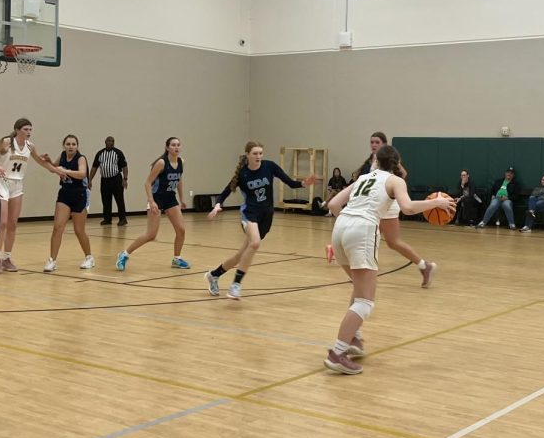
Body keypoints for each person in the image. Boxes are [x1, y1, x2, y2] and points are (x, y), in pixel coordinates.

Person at [324, 145, 455, 374]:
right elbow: (408, 207)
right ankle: (338, 352)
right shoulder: (395, 181)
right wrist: (436, 203)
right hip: (362, 229)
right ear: (396, 162)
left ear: (375, 160)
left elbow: (334, 204)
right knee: (365, 301)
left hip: (340, 226)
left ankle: (353, 338)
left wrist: (348, 224)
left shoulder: (363, 177)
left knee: (359, 288)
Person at [205, 141, 317, 299]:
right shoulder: (242, 174)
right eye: (255, 153)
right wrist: (217, 206)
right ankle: (236, 285)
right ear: (248, 155)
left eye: (260, 153)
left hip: (266, 215)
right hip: (249, 213)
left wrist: (304, 183)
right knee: (255, 243)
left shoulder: (269, 166)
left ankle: (214, 275)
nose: (258, 156)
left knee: (240, 255)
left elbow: (290, 183)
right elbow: (225, 192)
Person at [0, 119, 63, 272]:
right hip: (3, 183)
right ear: (17, 130)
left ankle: (7, 257)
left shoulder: (30, 146)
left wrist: (57, 171)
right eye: (26, 129)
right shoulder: (6, 142)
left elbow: (41, 162)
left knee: (12, 224)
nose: (29, 132)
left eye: (30, 129)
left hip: (18, 185)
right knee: (2, 223)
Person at [356, 132, 437, 287]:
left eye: (377, 142)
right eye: (372, 142)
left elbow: (403, 174)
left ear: (384, 144)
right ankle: (424, 266)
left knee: (387, 240)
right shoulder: (372, 159)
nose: (373, 145)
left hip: (387, 202)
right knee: (386, 241)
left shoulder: (390, 159)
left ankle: (363, 273)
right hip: (375, 203)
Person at [116, 137, 189, 270]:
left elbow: (179, 179)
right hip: (156, 198)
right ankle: (124, 254)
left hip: (170, 198)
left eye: (178, 145)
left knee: (181, 230)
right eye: (173, 145)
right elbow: (147, 183)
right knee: (151, 235)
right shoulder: (161, 163)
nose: (176, 147)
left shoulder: (181, 162)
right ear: (167, 148)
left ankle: (176, 259)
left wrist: (182, 198)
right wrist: (151, 201)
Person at [43, 135, 95, 272]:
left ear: (77, 146)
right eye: (68, 144)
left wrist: (66, 171)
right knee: (58, 227)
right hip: (65, 193)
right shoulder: (62, 156)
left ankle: (89, 257)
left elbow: (82, 173)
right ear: (64, 145)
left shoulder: (81, 158)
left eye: (73, 144)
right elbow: (54, 167)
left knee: (79, 230)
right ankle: (52, 260)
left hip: (80, 194)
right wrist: (49, 162)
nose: (71, 146)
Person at [89, 136, 128, 227]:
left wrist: (125, 179)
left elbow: (124, 166)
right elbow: (94, 167)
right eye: (109, 141)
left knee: (119, 199)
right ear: (105, 142)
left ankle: (122, 219)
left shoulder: (118, 153)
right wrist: (90, 180)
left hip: (116, 179)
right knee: (105, 200)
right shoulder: (100, 153)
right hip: (105, 180)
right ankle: (107, 219)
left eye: (113, 141)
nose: (111, 143)